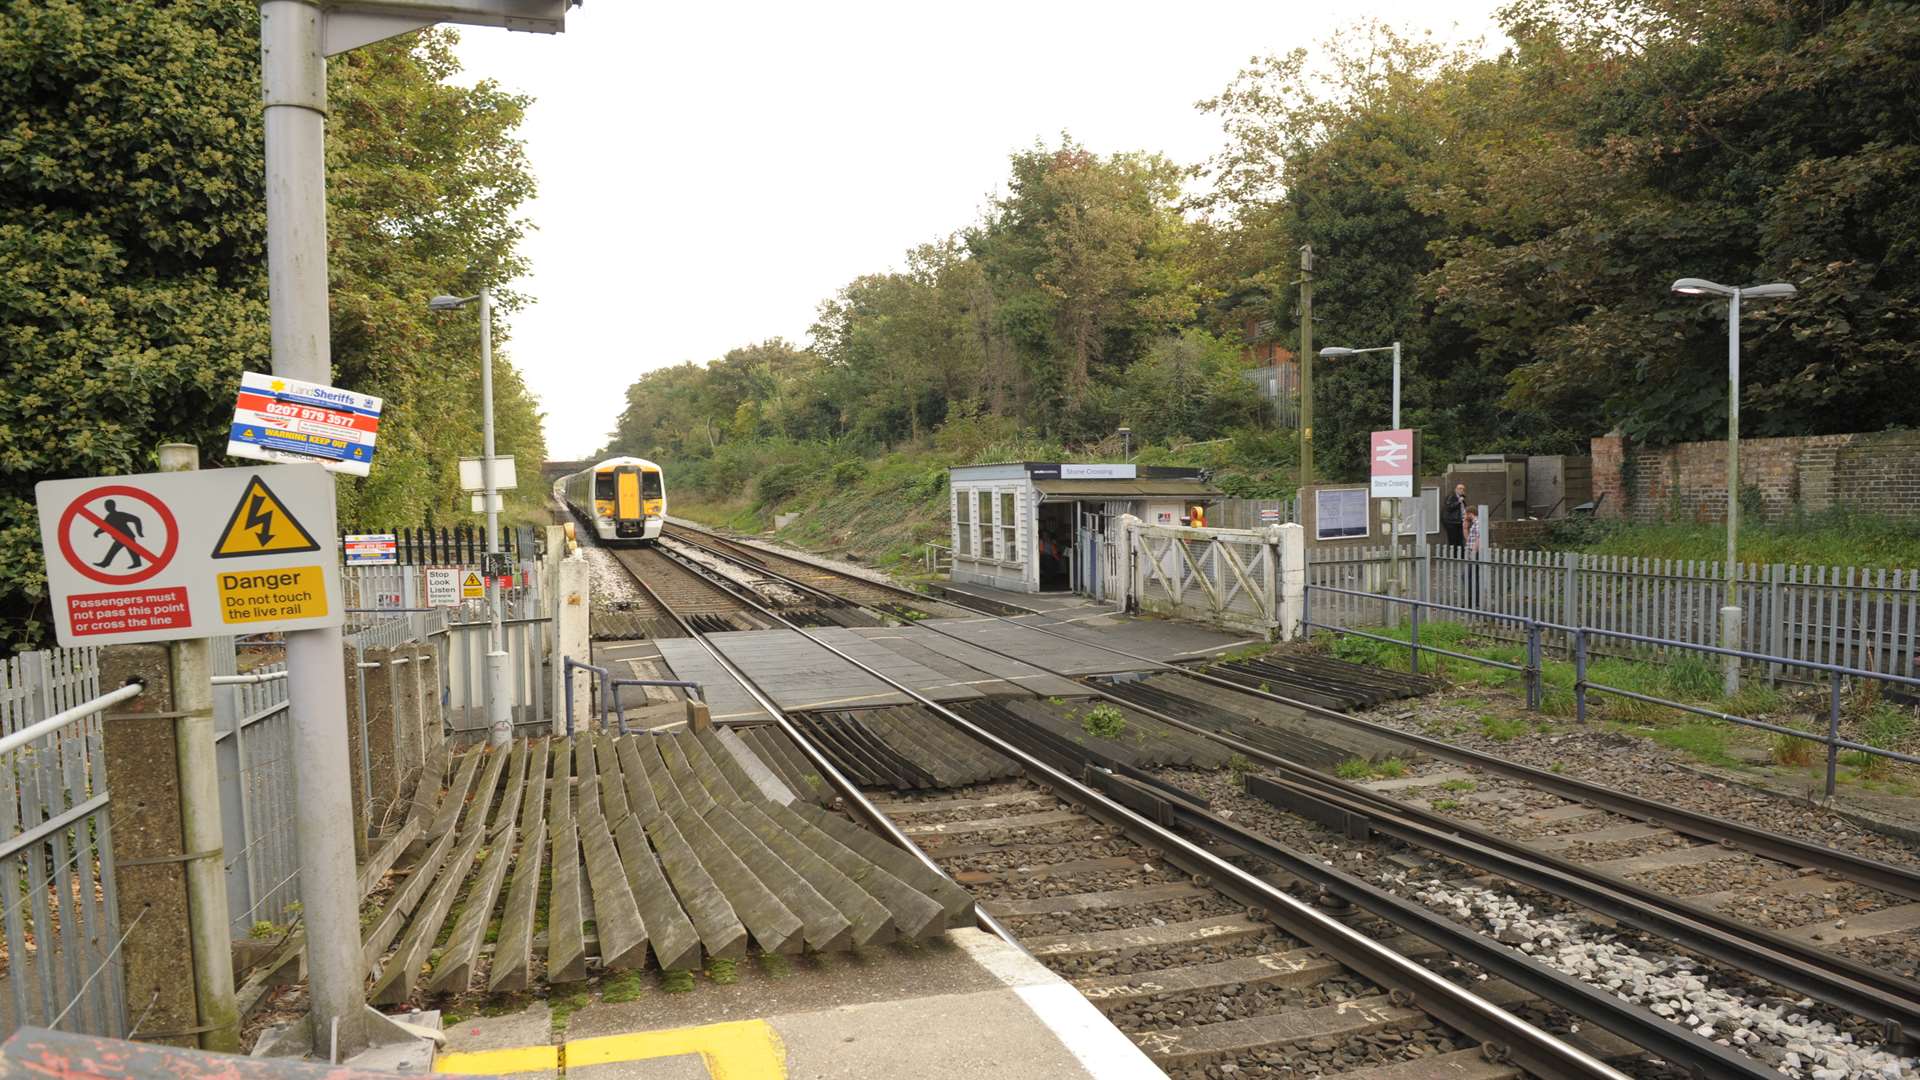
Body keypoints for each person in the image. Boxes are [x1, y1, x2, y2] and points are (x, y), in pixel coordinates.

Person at [92, 498, 146, 569]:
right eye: (106, 506)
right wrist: (97, 532)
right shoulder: (110, 517)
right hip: (121, 538)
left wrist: (139, 532)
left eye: (108, 506)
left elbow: (136, 519)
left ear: (113, 506)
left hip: (126, 537)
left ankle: (105, 563)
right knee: (130, 550)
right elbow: (104, 527)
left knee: (117, 550)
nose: (107, 507)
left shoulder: (119, 515)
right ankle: (105, 563)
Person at [1464, 508, 1482, 607]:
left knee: (1468, 576)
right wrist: (1465, 528)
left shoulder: (1478, 523)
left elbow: (1479, 537)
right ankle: (1473, 601)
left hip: (1476, 553)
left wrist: (1474, 552)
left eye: (1465, 514)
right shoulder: (1474, 524)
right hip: (1472, 552)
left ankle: (1474, 601)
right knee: (1471, 577)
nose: (1464, 517)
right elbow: (1468, 540)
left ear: (1470, 514)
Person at [1441, 482, 1467, 549]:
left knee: (1460, 541)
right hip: (1452, 523)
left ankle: (1461, 556)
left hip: (1459, 522)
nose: (1462, 490)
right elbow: (1448, 507)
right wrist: (1458, 502)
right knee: (1453, 541)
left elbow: (1462, 510)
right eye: (1460, 488)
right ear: (1456, 489)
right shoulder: (1451, 496)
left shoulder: (1462, 498)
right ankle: (1454, 557)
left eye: (1463, 489)